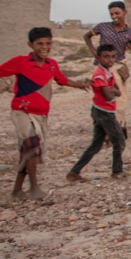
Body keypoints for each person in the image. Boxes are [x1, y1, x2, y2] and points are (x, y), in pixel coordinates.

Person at [1, 28, 88, 199]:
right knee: (32, 145)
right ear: (30, 45)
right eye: (40, 43)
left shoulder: (52, 65)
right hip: (22, 112)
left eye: (48, 43)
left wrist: (81, 85)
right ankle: (34, 188)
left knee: (27, 151)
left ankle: (17, 190)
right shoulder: (20, 62)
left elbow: (63, 80)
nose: (44, 47)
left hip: (41, 115)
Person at [66, 45, 127, 181]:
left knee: (96, 144)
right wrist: (114, 91)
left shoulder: (108, 72)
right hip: (104, 112)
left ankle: (74, 172)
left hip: (102, 110)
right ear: (98, 58)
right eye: (106, 57)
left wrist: (114, 91)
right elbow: (109, 94)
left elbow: (116, 90)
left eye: (112, 57)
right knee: (119, 141)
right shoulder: (99, 75)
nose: (110, 60)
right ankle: (117, 171)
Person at [84, 1, 131, 136]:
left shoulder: (130, 33)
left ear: (125, 12)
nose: (114, 16)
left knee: (120, 98)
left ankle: (120, 127)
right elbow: (86, 36)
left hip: (118, 67)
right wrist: (94, 52)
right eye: (112, 14)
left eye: (117, 13)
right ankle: (106, 130)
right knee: (103, 97)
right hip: (102, 68)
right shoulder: (103, 27)